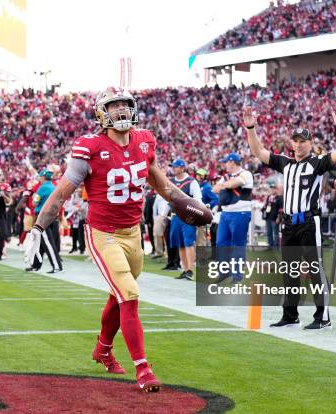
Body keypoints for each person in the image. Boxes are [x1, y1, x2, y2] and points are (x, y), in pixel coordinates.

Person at [24, 87, 197, 392]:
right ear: (102, 113)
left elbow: (160, 181)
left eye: (125, 105)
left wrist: (187, 203)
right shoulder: (89, 147)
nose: (121, 111)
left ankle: (102, 348)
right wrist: (37, 228)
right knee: (129, 293)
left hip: (133, 232)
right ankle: (143, 369)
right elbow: (63, 192)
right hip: (103, 233)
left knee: (118, 298)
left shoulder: (145, 140)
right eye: (114, 106)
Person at [245, 105, 336, 330]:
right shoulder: (286, 163)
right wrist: (251, 128)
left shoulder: (317, 163)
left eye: (303, 140)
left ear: (310, 143)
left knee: (314, 269)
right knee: (289, 271)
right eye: (296, 140)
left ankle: (323, 316)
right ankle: (290, 314)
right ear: (291, 143)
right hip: (289, 222)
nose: (298, 144)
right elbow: (259, 151)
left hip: (310, 222)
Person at [213, 153, 254, 283]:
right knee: (221, 243)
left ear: (232, 162)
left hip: (240, 213)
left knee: (237, 244)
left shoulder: (246, 173)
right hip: (226, 214)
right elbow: (215, 188)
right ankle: (224, 271)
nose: (225, 164)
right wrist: (227, 184)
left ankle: (237, 275)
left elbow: (236, 183)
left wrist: (225, 185)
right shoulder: (226, 176)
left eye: (226, 162)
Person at [169, 159, 202, 281]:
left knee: (188, 242)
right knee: (180, 243)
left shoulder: (191, 182)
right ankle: (184, 269)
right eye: (173, 166)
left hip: (188, 216)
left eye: (176, 167)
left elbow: (198, 199)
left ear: (183, 168)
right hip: (175, 216)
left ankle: (190, 270)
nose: (173, 168)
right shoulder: (171, 181)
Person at [26, 169, 63, 273]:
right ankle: (35, 265)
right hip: (52, 216)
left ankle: (57, 267)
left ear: (43, 177)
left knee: (47, 243)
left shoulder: (42, 188)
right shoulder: (53, 187)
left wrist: (33, 197)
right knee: (41, 241)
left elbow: (34, 203)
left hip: (43, 217)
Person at [196, 168, 219, 247]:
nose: (198, 176)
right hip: (196, 213)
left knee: (201, 236)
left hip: (203, 214)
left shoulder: (207, 187)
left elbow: (216, 200)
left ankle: (201, 256)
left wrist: (207, 206)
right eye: (197, 174)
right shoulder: (197, 185)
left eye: (200, 175)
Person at [263, 182, 283, 247]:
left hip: (275, 218)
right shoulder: (269, 197)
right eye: (271, 188)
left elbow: (281, 209)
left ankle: (276, 245)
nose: (272, 190)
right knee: (269, 232)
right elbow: (266, 206)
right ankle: (270, 244)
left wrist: (278, 217)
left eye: (273, 188)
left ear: (276, 190)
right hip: (268, 217)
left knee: (275, 232)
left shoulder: (279, 198)